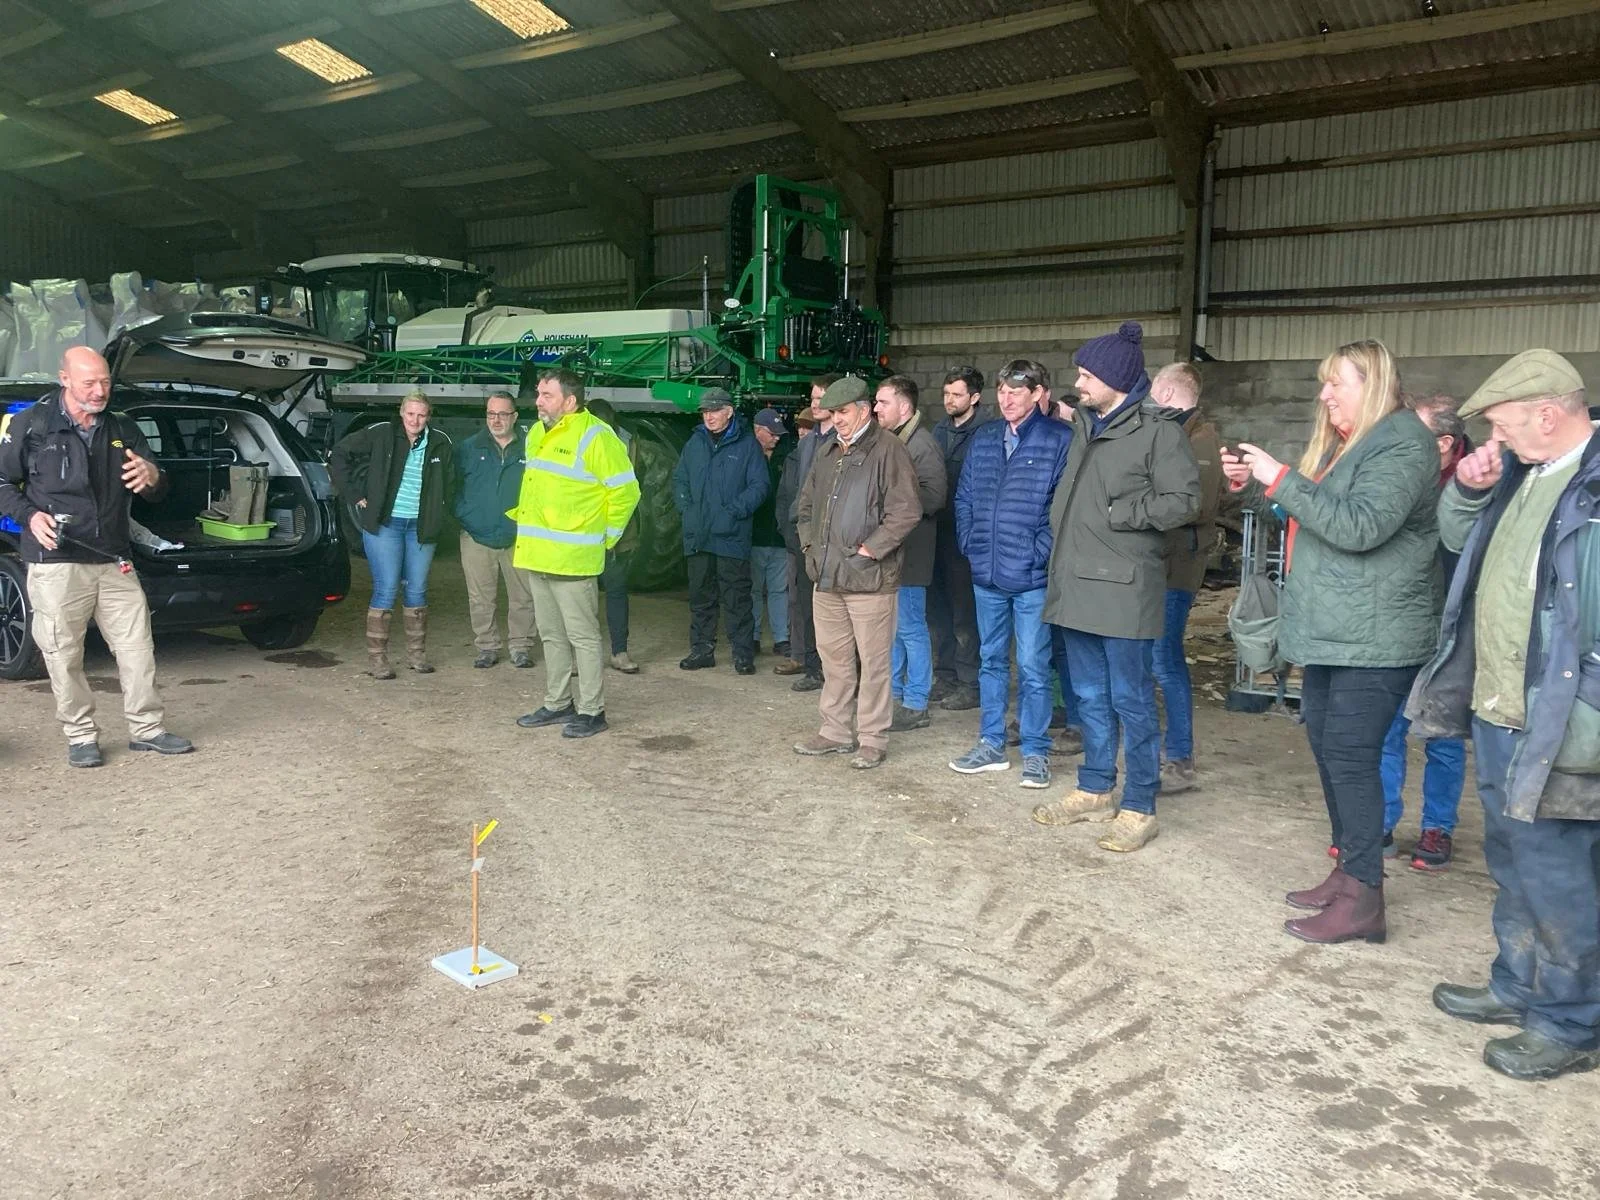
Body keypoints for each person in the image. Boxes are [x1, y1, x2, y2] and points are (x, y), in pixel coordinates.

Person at [1409, 350, 1600, 1081]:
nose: (1496, 439)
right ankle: (1517, 983)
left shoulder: (1591, 486)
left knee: (1560, 872)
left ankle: (1570, 1021)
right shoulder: (1526, 474)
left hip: (1562, 717)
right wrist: (1467, 490)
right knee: (1513, 858)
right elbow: (1459, 545)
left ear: (1547, 414)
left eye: (1503, 424)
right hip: (1499, 707)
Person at [1221, 339, 1441, 943]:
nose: (1324, 395)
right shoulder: (1354, 444)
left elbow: (1361, 526)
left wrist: (1282, 477)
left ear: (1372, 383)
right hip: (1335, 629)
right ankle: (1348, 872)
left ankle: (1364, 898)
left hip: (1376, 632)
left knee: (1350, 756)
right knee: (1327, 745)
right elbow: (1308, 516)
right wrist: (1259, 487)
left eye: (1335, 383)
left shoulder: (1403, 443)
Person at [1034, 323, 1200, 853]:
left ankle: (1140, 804)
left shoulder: (1158, 432)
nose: (1079, 383)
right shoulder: (1087, 424)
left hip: (1124, 588)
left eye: (1087, 375)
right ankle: (1096, 787)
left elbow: (1183, 502)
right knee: (1088, 695)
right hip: (1076, 583)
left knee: (1131, 699)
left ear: (1117, 381)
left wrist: (1121, 513)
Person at [0, 346, 193, 766]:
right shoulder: (31, 424)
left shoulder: (122, 426)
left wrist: (153, 476)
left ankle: (147, 729)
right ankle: (81, 735)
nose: (100, 391)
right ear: (65, 379)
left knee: (138, 649)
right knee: (63, 654)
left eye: (105, 382)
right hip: (57, 561)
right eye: (89, 383)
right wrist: (29, 516)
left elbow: (158, 489)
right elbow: (2, 482)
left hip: (113, 559)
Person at [948, 358, 1072, 788]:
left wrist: (1040, 553)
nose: (1006, 399)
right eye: (1001, 391)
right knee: (991, 660)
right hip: (987, 572)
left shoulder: (1059, 439)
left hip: (1032, 577)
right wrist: (970, 541)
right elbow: (964, 497)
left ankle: (1036, 751)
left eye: (1015, 392)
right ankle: (991, 743)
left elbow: (1062, 508)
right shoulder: (985, 438)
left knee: (1034, 666)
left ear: (1038, 394)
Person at [793, 376, 921, 770]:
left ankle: (872, 738)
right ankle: (834, 732)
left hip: (870, 580)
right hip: (827, 576)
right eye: (832, 412)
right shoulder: (827, 451)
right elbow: (805, 507)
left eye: (843, 412)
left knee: (874, 663)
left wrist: (870, 551)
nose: (837, 419)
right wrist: (811, 548)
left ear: (864, 411)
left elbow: (906, 512)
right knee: (833, 660)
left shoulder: (889, 449)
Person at [509, 369, 640, 738]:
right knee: (550, 635)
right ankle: (558, 703)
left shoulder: (597, 436)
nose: (537, 401)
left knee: (582, 637)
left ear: (569, 401)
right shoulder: (537, 433)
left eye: (546, 395)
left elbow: (626, 492)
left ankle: (592, 711)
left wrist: (606, 538)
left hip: (573, 559)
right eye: (538, 393)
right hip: (538, 555)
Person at [1379, 395, 1470, 870]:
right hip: (1403, 617)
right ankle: (1381, 822)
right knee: (1388, 726)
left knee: (1443, 732)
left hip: (1452, 625)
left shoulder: (1479, 485)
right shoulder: (1402, 476)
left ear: (1444, 443)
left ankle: (1438, 827)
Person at [330, 389, 455, 678]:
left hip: (421, 526)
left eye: (421, 415)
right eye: (410, 413)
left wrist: (440, 511)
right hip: (386, 524)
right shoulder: (382, 433)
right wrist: (355, 494)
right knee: (386, 588)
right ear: (401, 413)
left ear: (429, 416)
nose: (415, 420)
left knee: (417, 588)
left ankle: (416, 655)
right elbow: (339, 454)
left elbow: (450, 482)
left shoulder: (440, 442)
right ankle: (378, 659)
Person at [1150, 362, 1224, 793]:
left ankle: (1180, 757)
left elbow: (1194, 505)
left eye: (1153, 389)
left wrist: (1143, 504)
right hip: (1158, 563)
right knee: (1154, 658)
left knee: (1165, 658)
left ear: (1165, 393)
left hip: (1178, 566)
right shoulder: (1176, 434)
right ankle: (1160, 751)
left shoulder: (1200, 441)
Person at [672, 388, 768, 675]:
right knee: (701, 597)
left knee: (737, 598)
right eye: (705, 411)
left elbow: (760, 486)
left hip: (731, 536)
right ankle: (702, 650)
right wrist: (687, 510)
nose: (709, 416)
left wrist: (734, 512)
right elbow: (680, 479)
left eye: (714, 410)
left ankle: (743, 654)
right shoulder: (695, 443)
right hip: (699, 535)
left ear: (729, 411)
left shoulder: (747, 445)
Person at [872, 376, 947, 731]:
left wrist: (892, 504)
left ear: (904, 407)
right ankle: (896, 695)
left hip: (913, 551)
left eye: (882, 402)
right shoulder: (894, 440)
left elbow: (935, 497)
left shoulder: (921, 444)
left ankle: (916, 703)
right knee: (895, 629)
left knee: (911, 628)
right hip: (895, 550)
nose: (875, 409)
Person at [453, 390, 537, 670]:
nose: (496, 420)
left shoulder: (531, 449)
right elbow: (452, 486)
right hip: (476, 536)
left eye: (502, 414)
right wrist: (466, 515)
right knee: (480, 598)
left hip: (519, 536)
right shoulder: (468, 448)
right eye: (491, 414)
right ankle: (487, 647)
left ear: (515, 416)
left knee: (524, 595)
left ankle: (521, 646)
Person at [929, 366, 988, 711]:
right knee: (938, 610)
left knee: (966, 613)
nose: (949, 400)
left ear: (975, 398)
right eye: (946, 394)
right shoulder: (938, 431)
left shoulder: (988, 433)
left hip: (967, 538)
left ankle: (970, 683)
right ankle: (945, 675)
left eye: (957, 395)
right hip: (936, 532)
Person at [779, 375, 839, 690]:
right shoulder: (806, 443)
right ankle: (814, 670)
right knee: (807, 605)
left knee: (836, 611)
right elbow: (797, 490)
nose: (815, 404)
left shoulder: (843, 441)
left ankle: (840, 673)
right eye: (813, 398)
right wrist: (793, 527)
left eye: (821, 399)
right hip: (805, 540)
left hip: (835, 540)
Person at [587, 399, 641, 674]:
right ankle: (589, 656)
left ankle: (619, 651)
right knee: (585, 599)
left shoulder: (626, 443)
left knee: (613, 594)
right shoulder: (624, 441)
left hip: (616, 536)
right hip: (585, 535)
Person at [748, 408, 794, 660]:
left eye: (778, 434)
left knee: (779, 590)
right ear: (757, 430)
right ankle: (753, 637)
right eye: (772, 433)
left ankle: (781, 639)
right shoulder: (746, 456)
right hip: (753, 537)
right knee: (753, 590)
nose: (776, 438)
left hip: (778, 538)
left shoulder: (786, 458)